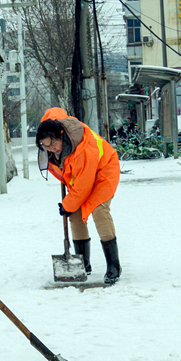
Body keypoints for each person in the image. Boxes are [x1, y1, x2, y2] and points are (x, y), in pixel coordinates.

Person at [37, 107, 122, 285]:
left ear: (61, 135)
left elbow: (82, 187)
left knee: (99, 211)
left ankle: (114, 265)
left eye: (53, 145)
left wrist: (67, 204)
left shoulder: (83, 147)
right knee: (74, 214)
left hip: (104, 171)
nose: (52, 149)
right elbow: (72, 176)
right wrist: (69, 206)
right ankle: (83, 262)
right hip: (83, 176)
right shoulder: (56, 143)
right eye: (47, 147)